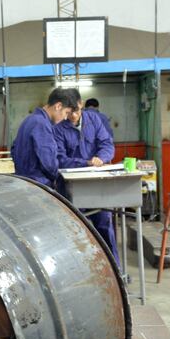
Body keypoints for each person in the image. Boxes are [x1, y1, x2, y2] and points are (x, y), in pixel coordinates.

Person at [52, 101, 118, 258]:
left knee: (104, 224)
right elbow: (60, 159)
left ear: (81, 105)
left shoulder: (94, 120)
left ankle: (115, 268)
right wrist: (86, 162)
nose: (73, 116)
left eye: (76, 111)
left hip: (97, 184)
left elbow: (107, 144)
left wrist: (102, 158)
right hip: (71, 188)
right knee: (77, 229)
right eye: (69, 112)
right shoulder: (58, 128)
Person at [11, 87, 80, 189]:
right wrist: (55, 177)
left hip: (24, 181)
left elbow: (13, 149)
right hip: (38, 184)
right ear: (58, 106)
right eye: (66, 112)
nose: (65, 118)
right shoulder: (42, 124)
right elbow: (49, 162)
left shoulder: (30, 119)